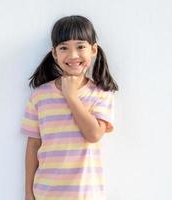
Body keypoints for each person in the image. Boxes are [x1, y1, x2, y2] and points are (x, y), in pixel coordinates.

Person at [20, 15, 118, 200]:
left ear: (93, 49)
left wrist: (71, 95)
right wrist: (28, 193)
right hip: (46, 193)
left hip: (86, 194)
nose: (73, 55)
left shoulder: (101, 93)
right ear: (55, 53)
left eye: (80, 46)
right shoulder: (39, 96)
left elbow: (94, 134)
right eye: (64, 48)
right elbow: (33, 146)